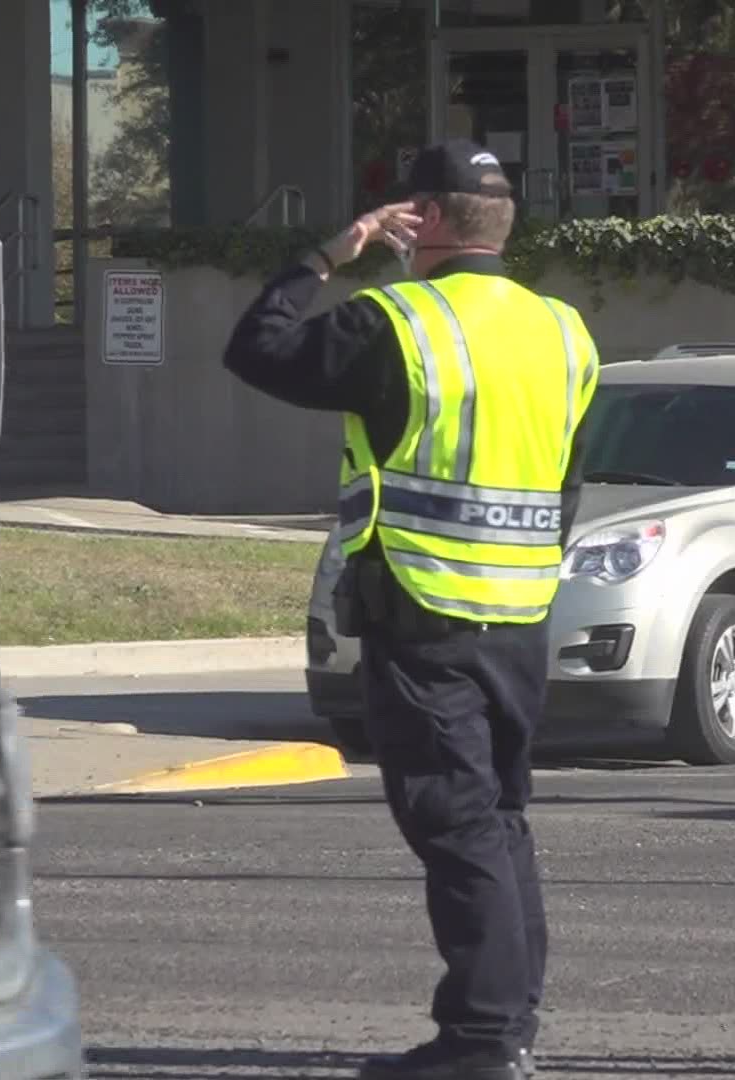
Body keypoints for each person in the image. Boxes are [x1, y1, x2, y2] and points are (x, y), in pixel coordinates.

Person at [221, 138, 600, 1080]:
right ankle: (509, 1025)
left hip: (424, 613)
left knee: (456, 823)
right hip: (520, 616)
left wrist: (326, 255)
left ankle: (481, 1041)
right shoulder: (565, 331)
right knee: (501, 819)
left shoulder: (394, 320)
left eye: (401, 209)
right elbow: (567, 480)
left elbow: (255, 348)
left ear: (422, 220)